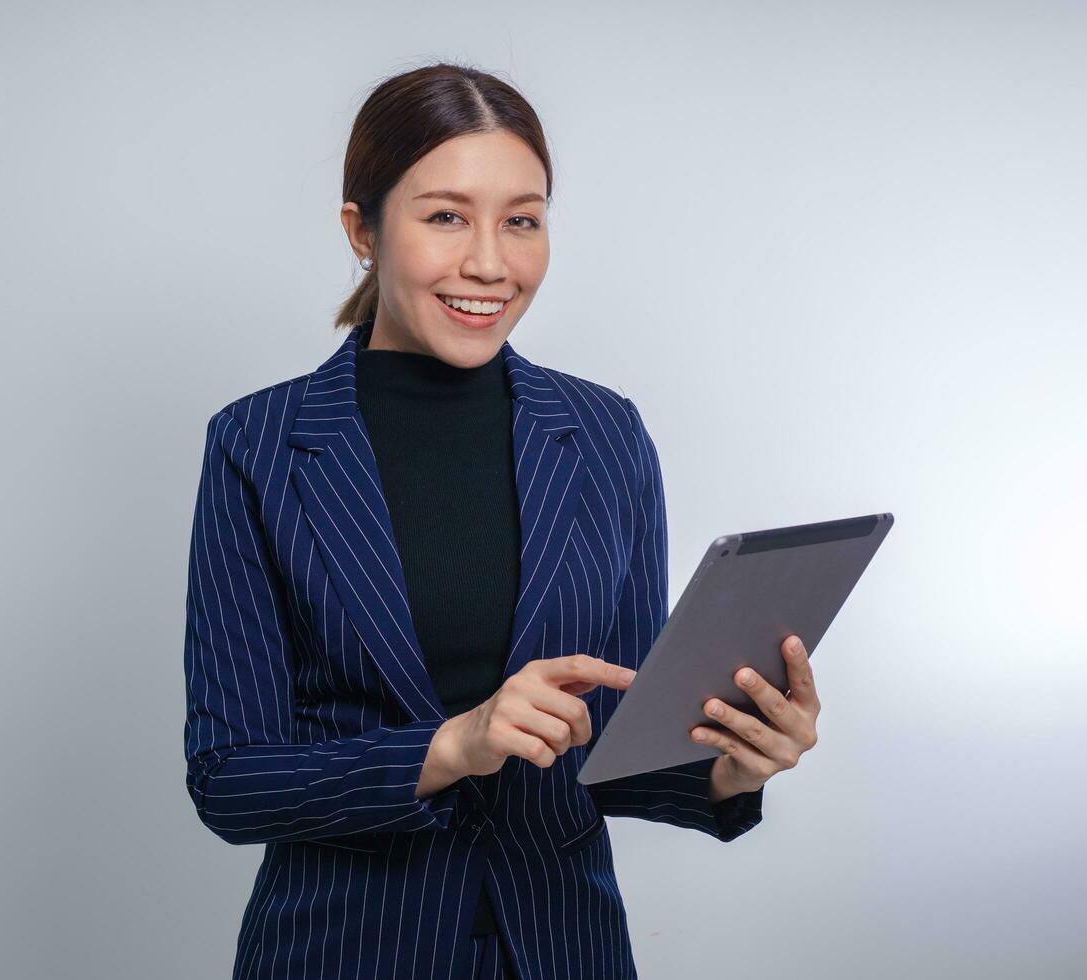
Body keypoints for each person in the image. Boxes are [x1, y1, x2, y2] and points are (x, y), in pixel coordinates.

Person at [182, 62, 821, 980]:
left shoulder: (605, 434)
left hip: (564, 948)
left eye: (522, 219)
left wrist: (738, 762)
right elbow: (231, 780)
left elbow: (624, 741)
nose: (490, 261)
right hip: (343, 951)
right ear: (361, 231)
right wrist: (453, 745)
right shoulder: (258, 443)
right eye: (446, 216)